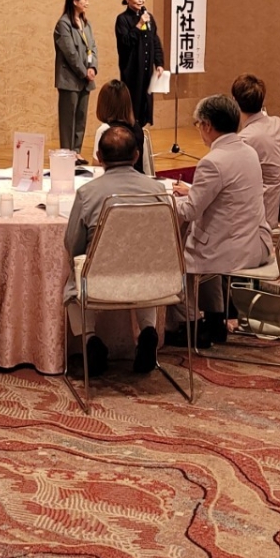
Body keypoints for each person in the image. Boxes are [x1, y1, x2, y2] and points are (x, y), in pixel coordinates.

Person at [63, 125, 168, 375]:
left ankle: (90, 341)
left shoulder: (87, 193)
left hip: (100, 280)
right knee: (145, 265)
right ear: (136, 155)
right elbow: (165, 238)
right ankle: (147, 331)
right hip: (151, 278)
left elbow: (72, 243)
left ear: (99, 157)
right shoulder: (157, 190)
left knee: (73, 279)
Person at [170, 95, 272, 347]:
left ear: (207, 125)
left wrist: (167, 201)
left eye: (198, 125)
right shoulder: (248, 152)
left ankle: (190, 326)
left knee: (174, 255)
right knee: (202, 241)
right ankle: (215, 320)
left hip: (231, 250)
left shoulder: (212, 162)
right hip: (256, 243)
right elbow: (228, 194)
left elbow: (189, 211)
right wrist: (193, 192)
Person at [233, 73, 280, 231]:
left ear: (235, 102)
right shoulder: (278, 124)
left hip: (250, 218)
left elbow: (229, 182)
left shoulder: (243, 139)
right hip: (274, 211)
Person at [53, 0, 97, 159]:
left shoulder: (86, 23)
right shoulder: (63, 24)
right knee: (68, 119)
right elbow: (70, 53)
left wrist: (92, 67)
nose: (87, 3)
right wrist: (84, 71)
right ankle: (67, 153)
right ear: (74, 1)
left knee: (81, 117)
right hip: (70, 79)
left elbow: (93, 47)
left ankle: (77, 152)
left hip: (86, 79)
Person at [115, 0, 165, 128]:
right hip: (132, 70)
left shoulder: (149, 18)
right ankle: (131, 133)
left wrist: (159, 63)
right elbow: (125, 42)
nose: (141, 0)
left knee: (145, 104)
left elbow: (155, 41)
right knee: (132, 105)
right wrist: (139, 25)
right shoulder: (122, 19)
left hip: (147, 70)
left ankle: (141, 132)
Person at [91, 79, 144, 174]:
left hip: (113, 180)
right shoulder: (138, 128)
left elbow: (97, 166)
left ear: (103, 105)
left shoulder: (105, 131)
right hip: (138, 178)